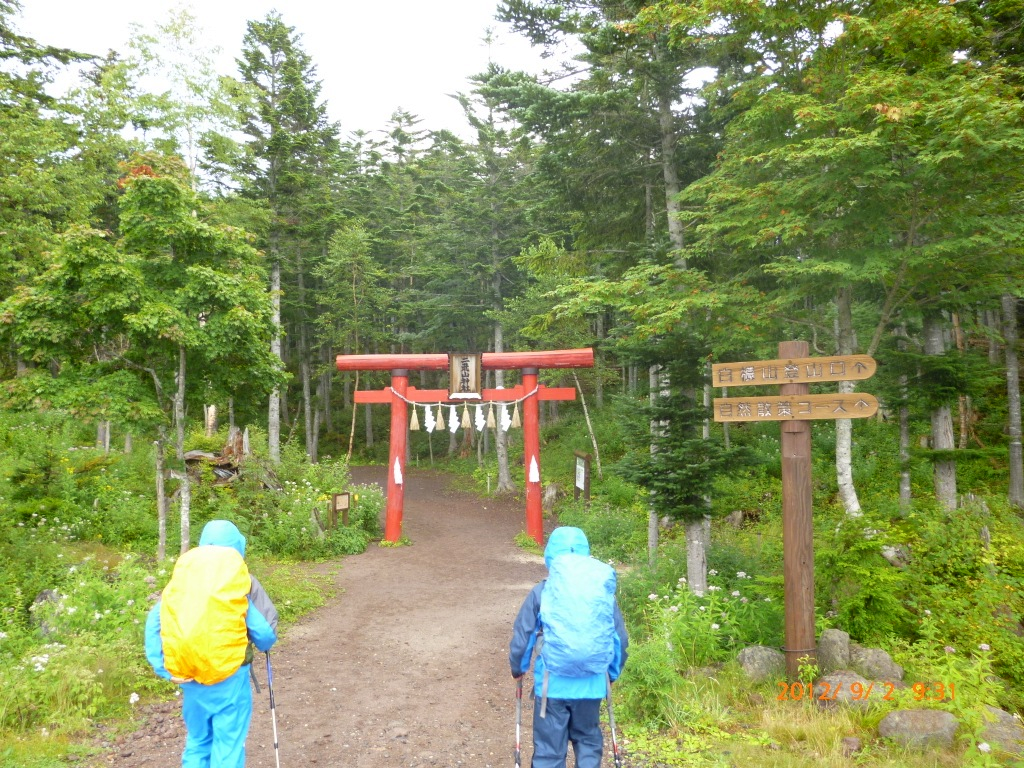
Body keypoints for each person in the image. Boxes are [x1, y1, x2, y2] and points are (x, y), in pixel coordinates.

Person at [145, 519, 278, 768]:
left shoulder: (182, 581)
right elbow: (264, 633)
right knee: (227, 746)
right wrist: (265, 641)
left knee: (198, 741)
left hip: (189, 675)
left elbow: (154, 623)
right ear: (238, 545)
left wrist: (163, 669)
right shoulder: (238, 581)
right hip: (229, 676)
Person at [509, 526, 628, 768]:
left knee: (550, 751)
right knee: (587, 742)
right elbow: (619, 639)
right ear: (586, 553)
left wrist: (518, 668)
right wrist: (612, 674)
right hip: (592, 684)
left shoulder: (543, 590)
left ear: (550, 555)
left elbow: (524, 636)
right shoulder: (601, 592)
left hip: (552, 687)